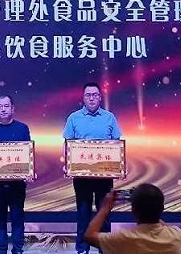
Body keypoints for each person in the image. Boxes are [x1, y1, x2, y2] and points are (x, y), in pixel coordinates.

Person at [62, 82, 122, 254]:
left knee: (104, 214)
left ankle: (104, 249)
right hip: (82, 177)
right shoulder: (74, 118)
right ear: (83, 98)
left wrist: (119, 167)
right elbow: (67, 144)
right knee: (83, 213)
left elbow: (117, 145)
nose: (91, 98)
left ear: (100, 97)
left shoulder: (109, 118)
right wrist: (67, 164)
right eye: (88, 95)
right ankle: (82, 249)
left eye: (95, 95)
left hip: (104, 176)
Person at [0, 95, 32, 254]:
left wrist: (29, 172)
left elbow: (27, 155)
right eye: (0, 106)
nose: (3, 109)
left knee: (17, 219)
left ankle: (18, 250)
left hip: (17, 185)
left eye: (6, 106)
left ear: (12, 108)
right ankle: (1, 250)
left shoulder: (22, 129)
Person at [83, 184, 181, 254]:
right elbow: (162, 225)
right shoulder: (176, 235)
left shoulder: (123, 238)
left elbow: (89, 236)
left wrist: (105, 207)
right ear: (162, 208)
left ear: (133, 211)